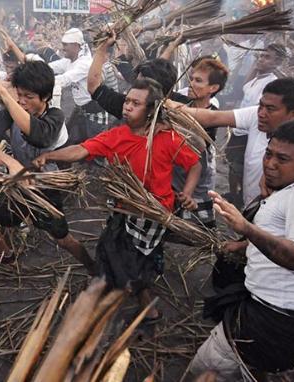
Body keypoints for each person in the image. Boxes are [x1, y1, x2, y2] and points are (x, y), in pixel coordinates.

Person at [33, 79, 202, 320]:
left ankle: (148, 310)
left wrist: (188, 192)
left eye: (136, 103)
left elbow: (194, 164)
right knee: (115, 249)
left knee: (130, 260)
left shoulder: (167, 138)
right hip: (124, 208)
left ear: (151, 111)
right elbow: (81, 150)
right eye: (127, 101)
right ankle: (114, 285)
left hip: (153, 212)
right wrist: (50, 155)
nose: (127, 106)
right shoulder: (116, 136)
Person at [190, 120, 294, 381]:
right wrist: (244, 245)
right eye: (269, 153)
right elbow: (286, 234)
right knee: (251, 367)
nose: (269, 163)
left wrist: (246, 228)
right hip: (293, 318)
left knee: (205, 370)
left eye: (282, 158)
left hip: (272, 321)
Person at [0, 60, 96, 272]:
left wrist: (3, 92)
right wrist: (11, 163)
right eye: (19, 95)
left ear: (45, 97)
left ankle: (94, 268)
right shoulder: (9, 113)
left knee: (63, 239)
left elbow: (38, 135)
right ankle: (6, 253)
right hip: (20, 184)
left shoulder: (55, 117)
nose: (21, 102)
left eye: (28, 97)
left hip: (46, 190)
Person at [175, 78, 294, 207]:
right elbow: (212, 117)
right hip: (252, 204)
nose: (261, 113)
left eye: (271, 109)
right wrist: (167, 105)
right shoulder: (256, 115)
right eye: (261, 105)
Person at [172, 57, 229, 228]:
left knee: (200, 220)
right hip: (178, 167)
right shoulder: (185, 102)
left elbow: (196, 158)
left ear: (213, 88)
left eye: (198, 81)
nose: (191, 83)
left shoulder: (211, 116)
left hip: (197, 171)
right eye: (191, 78)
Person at [49, 28, 108, 142]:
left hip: (95, 112)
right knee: (72, 142)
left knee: (96, 150)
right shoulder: (69, 61)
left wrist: (39, 80)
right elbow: (50, 66)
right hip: (81, 111)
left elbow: (64, 80)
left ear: (76, 45)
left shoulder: (85, 64)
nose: (62, 48)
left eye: (65, 45)